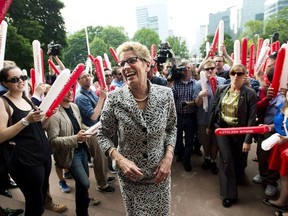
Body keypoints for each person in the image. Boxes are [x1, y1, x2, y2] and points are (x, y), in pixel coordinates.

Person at [97, 41, 177, 215]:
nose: (125, 67)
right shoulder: (114, 99)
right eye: (122, 63)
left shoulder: (165, 95)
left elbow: (172, 128)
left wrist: (168, 158)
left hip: (160, 175)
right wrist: (120, 160)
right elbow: (103, 135)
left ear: (147, 64)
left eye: (131, 60)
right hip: (131, 177)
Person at [0, 65, 52, 215]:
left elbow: (38, 127)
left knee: (40, 198)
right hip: (25, 160)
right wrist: (25, 120)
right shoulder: (3, 102)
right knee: (34, 202)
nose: (21, 81)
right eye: (15, 79)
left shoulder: (27, 99)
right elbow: (1, 135)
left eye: (23, 77)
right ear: (5, 83)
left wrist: (48, 117)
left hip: (43, 155)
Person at [207, 63, 257, 208]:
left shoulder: (250, 94)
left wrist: (247, 140)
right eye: (233, 73)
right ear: (229, 75)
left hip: (239, 132)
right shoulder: (222, 89)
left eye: (239, 74)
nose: (236, 76)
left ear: (244, 76)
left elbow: (251, 119)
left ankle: (238, 176)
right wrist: (210, 126)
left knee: (238, 159)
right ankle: (230, 194)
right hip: (222, 130)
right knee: (227, 160)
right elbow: (214, 108)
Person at [46, 87, 101, 216]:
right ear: (59, 93)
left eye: (71, 89)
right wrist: (75, 138)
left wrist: (91, 130)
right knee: (84, 183)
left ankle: (83, 206)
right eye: (66, 90)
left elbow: (79, 125)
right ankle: (82, 210)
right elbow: (53, 141)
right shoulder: (54, 114)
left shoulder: (74, 106)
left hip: (82, 149)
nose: (71, 92)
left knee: (83, 184)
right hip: (71, 154)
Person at [75, 71, 115, 193]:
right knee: (99, 158)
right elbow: (93, 116)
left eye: (88, 75)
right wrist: (102, 98)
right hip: (91, 131)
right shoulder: (80, 97)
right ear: (78, 80)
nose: (87, 78)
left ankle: (104, 177)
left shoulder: (90, 91)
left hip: (99, 128)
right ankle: (102, 184)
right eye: (84, 77)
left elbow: (101, 109)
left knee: (104, 156)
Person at [195, 59, 226, 175]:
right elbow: (197, 104)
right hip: (204, 118)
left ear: (215, 69)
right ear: (203, 71)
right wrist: (200, 96)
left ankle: (213, 160)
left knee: (216, 142)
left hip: (219, 119)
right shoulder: (198, 84)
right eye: (207, 69)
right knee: (205, 141)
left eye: (212, 68)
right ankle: (207, 158)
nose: (210, 71)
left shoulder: (223, 82)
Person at [262, 89, 288, 213]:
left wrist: (286, 138)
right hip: (280, 142)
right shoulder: (283, 105)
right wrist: (268, 127)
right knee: (283, 175)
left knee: (285, 176)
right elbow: (278, 124)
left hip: (285, 144)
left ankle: (282, 202)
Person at [170, 59, 198, 172]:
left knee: (189, 140)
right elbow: (171, 99)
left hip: (191, 116)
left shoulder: (195, 84)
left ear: (191, 69)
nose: (186, 70)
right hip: (178, 116)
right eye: (184, 68)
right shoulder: (175, 84)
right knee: (178, 139)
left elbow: (197, 100)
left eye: (188, 68)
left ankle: (187, 161)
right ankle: (180, 154)